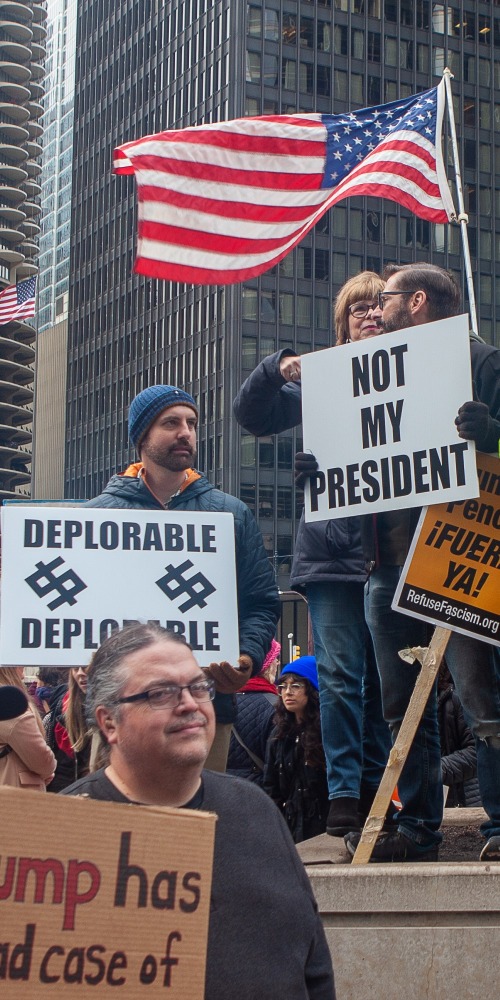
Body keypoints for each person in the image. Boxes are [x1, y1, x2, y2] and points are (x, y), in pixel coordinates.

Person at [61, 623, 335, 1000]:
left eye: (199, 687)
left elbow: (313, 960)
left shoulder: (255, 810)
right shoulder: (68, 828)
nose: (190, 704)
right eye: (160, 693)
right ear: (109, 722)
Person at [339, 262, 500, 862]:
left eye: (387, 299)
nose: (376, 310)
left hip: (459, 557)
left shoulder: (483, 363)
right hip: (390, 564)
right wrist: (322, 470)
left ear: (420, 301)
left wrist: (494, 432)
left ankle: (499, 825)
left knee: (480, 699)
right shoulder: (379, 375)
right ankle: (416, 828)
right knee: (399, 704)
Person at [234, 272, 391, 835]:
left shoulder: (418, 377)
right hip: (332, 553)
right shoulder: (320, 384)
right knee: (342, 675)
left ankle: (380, 790)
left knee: (386, 682)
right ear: (343, 325)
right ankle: (345, 792)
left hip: (394, 553)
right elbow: (252, 415)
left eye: (380, 307)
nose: (370, 316)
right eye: (358, 310)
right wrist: (278, 367)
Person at [85, 384, 280, 772]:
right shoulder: (98, 517)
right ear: (142, 436)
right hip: (121, 710)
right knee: (113, 825)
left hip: (205, 706)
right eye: (170, 423)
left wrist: (246, 656)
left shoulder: (231, 515)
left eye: (191, 423)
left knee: (195, 825)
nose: (185, 432)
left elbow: (260, 602)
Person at [264, 656, 329, 843]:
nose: (287, 693)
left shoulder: (326, 731)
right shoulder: (280, 733)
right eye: (283, 686)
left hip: (322, 826)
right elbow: (271, 785)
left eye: (296, 686)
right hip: (290, 826)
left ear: (312, 689)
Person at [226, 637, 280, 785]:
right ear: (266, 665)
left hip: (220, 788)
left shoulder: (220, 700)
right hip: (257, 791)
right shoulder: (275, 706)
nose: (278, 663)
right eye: (275, 658)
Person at [0, 666, 55, 791]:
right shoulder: (11, 705)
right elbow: (42, 760)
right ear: (8, 669)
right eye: (20, 667)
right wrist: (48, 771)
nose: (23, 675)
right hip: (16, 794)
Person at [438, 664, 481, 809]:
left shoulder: (458, 698)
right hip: (436, 803)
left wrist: (435, 770)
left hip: (467, 802)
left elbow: (478, 752)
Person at [45, 666, 92, 792]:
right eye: (76, 668)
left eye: (86, 667)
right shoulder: (65, 704)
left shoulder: (117, 706)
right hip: (70, 782)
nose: (81, 673)